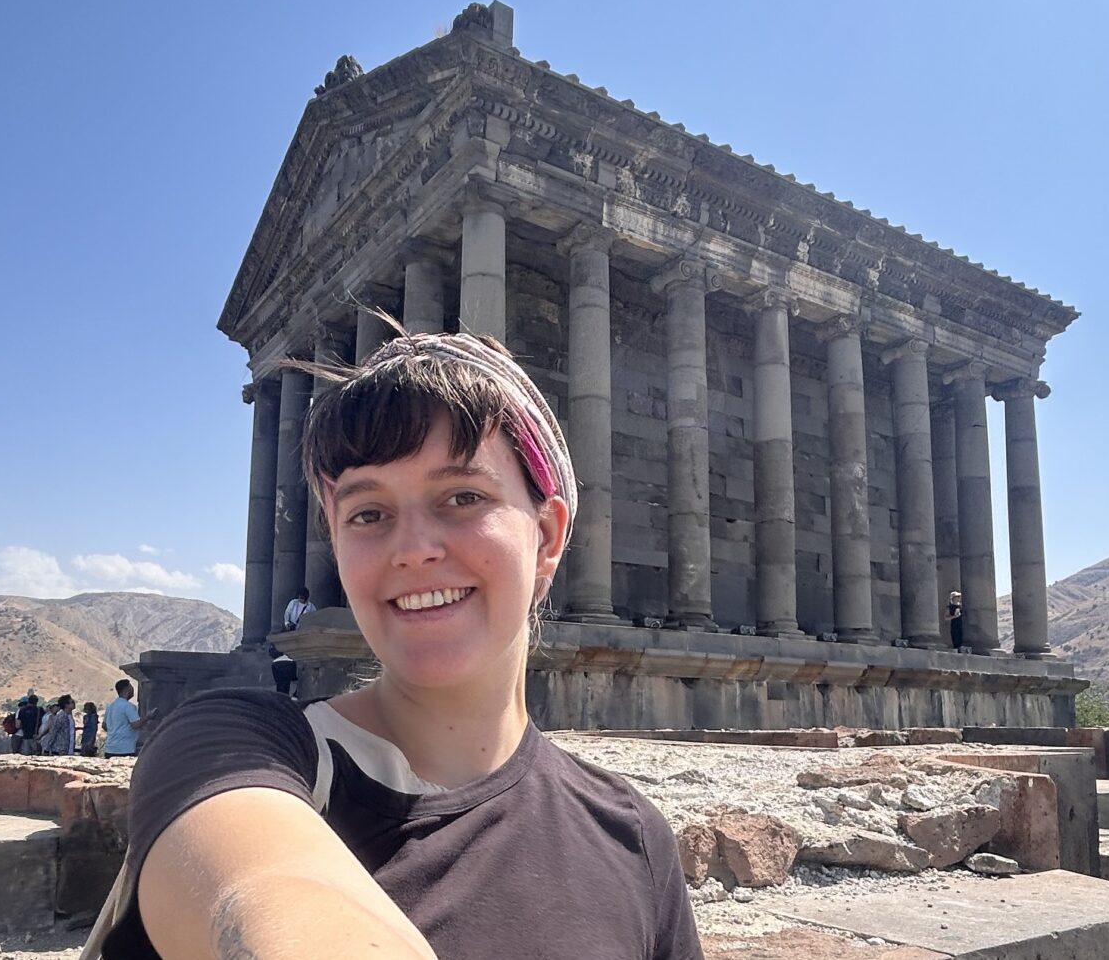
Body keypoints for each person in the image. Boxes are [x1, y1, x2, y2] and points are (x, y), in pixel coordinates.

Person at [84, 331, 701, 959]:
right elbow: (263, 894)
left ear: (546, 536)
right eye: (367, 513)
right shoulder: (231, 749)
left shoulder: (634, 840)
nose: (412, 549)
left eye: (463, 497)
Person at [101, 679, 146, 758]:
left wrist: (116, 730)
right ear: (127, 689)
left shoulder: (110, 706)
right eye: (131, 687)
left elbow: (104, 725)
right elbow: (135, 724)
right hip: (124, 749)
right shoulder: (128, 706)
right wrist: (148, 717)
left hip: (110, 748)